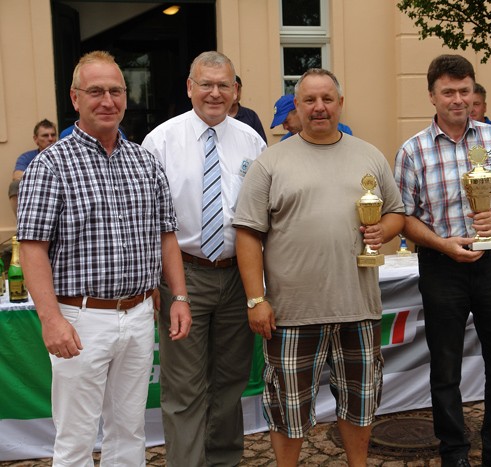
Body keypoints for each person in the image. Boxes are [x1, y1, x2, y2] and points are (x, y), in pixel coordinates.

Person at [16, 50, 192, 466]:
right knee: (76, 436)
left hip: (138, 314)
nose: (107, 100)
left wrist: (180, 296)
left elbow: (167, 236)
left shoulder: (145, 163)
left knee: (128, 430)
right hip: (80, 318)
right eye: (96, 91)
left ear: (126, 96)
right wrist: (51, 319)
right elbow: (32, 247)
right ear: (75, 98)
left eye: (116, 90)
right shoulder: (50, 165)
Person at [233, 68, 404, 466]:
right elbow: (247, 235)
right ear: (297, 107)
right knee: (287, 410)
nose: (319, 107)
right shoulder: (270, 162)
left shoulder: (369, 155)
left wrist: (383, 230)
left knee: (360, 404)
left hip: (357, 307)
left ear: (340, 104)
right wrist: (256, 299)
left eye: (327, 99)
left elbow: (396, 214)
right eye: (309, 100)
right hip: (291, 312)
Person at [394, 54, 491, 467]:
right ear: (432, 96)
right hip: (442, 264)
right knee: (445, 366)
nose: (457, 99)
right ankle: (454, 451)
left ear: (474, 93)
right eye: (448, 92)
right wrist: (440, 243)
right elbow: (403, 218)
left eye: (464, 91)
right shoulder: (412, 150)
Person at [141, 51, 266, 467]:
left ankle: (224, 462)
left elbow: (265, 215)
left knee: (229, 385)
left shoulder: (252, 142)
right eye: (206, 84)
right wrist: (157, 285)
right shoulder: (159, 142)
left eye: (223, 85)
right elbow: (148, 221)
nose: (215, 93)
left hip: (237, 280)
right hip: (184, 278)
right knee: (184, 389)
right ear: (190, 87)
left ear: (235, 91)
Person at [8, 119, 57, 216]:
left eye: (53, 135)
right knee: (14, 186)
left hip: (61, 193)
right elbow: (17, 176)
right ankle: (22, 227)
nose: (50, 138)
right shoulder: (27, 157)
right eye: (45, 135)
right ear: (35, 139)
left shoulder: (64, 155)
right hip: (37, 193)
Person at [270, 93, 353, 140]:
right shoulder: (285, 141)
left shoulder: (343, 132)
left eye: (286, 121)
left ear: (298, 111)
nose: (285, 127)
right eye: (282, 124)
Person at [229, 75, 268, 143]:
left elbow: (262, 144)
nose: (236, 93)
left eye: (238, 89)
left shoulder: (251, 116)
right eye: (232, 89)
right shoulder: (218, 117)